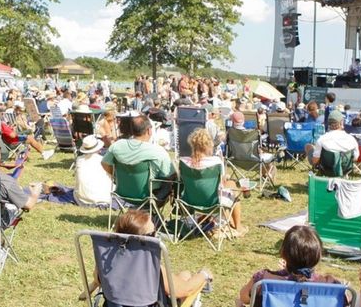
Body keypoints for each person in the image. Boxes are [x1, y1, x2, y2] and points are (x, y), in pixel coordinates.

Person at [80, 209, 213, 303]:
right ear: (145, 240)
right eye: (153, 234)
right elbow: (185, 290)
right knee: (187, 281)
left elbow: (98, 279)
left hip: (118, 303)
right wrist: (204, 274)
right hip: (149, 301)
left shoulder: (106, 262)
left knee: (185, 274)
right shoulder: (151, 268)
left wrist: (94, 284)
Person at [239, 225, 342, 305]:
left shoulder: (263, 280)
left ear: (283, 253)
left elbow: (244, 298)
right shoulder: (332, 286)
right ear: (318, 256)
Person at [183, 128, 246, 236]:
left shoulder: (184, 162)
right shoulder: (215, 162)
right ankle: (238, 226)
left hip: (190, 202)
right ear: (208, 145)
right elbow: (221, 184)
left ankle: (208, 218)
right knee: (231, 185)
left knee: (228, 184)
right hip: (212, 202)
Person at [102, 115, 175, 201]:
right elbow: (169, 174)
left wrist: (115, 177)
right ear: (149, 131)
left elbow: (104, 163)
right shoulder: (158, 152)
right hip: (148, 195)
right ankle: (154, 210)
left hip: (123, 192)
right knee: (172, 179)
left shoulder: (116, 146)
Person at [73, 135, 113, 206]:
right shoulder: (104, 160)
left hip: (82, 199)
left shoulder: (79, 160)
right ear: (99, 149)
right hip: (104, 199)